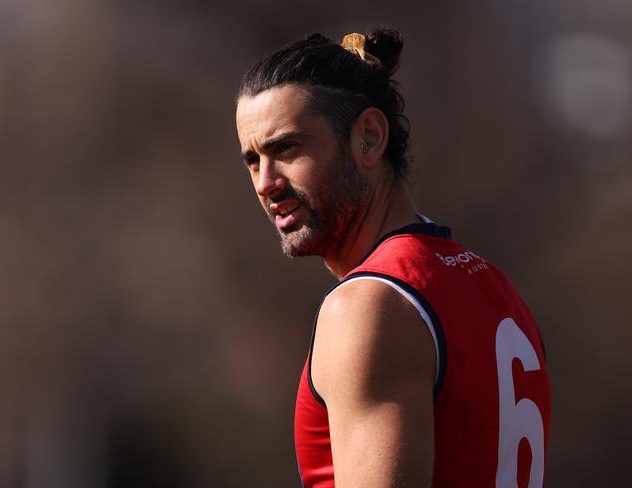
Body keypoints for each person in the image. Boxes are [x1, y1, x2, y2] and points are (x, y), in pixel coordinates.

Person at [235, 28, 551, 488]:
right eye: (251, 160)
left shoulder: (369, 307)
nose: (266, 182)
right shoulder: (494, 287)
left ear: (368, 138)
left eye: (286, 148)